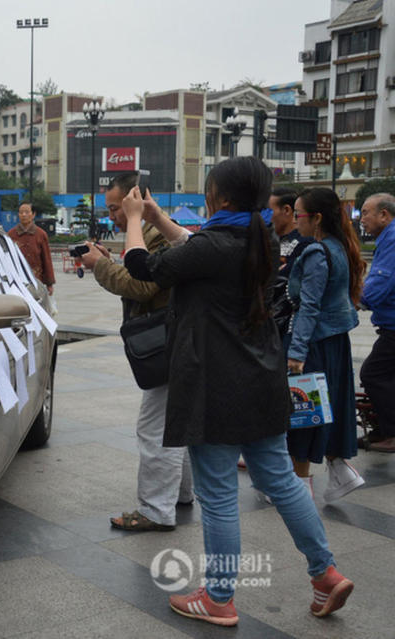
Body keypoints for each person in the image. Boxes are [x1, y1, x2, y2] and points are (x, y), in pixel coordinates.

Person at [121, 157, 353, 626]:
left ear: (221, 197)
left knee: (220, 495)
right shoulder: (260, 234)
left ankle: (219, 597)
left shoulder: (218, 242)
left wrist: (131, 221)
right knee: (283, 481)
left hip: (214, 384)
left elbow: (142, 266)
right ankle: (325, 572)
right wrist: (156, 218)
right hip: (260, 377)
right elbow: (194, 246)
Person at [80, 173, 193, 532]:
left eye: (116, 208)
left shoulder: (158, 238)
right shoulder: (150, 234)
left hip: (171, 344)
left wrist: (100, 265)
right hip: (179, 342)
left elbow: (141, 285)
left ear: (136, 201)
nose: (112, 215)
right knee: (177, 422)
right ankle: (181, 495)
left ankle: (156, 509)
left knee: (154, 428)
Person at [285, 188, 365, 500]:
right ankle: (341, 471)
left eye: (298, 214)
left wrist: (296, 351)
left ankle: (300, 487)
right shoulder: (340, 247)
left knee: (305, 412)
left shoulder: (316, 253)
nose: (295, 220)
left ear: (316, 218)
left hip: (314, 344)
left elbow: (309, 307)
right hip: (335, 343)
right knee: (332, 407)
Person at [358, 193, 395, 453]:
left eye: (366, 212)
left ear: (384, 214)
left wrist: (354, 297)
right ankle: (382, 430)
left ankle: (391, 434)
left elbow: (379, 284)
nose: (362, 219)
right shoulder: (387, 238)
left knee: (372, 373)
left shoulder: (392, 239)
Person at [7, 202, 55, 294]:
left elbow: (46, 260)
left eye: (27, 212)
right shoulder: (11, 234)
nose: (24, 215)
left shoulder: (41, 234)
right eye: (21, 212)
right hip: (17, 281)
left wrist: (49, 283)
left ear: (33, 214)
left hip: (36, 280)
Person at [269, 187, 312, 276]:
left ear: (286, 210)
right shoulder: (265, 241)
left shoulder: (305, 243)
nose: (264, 216)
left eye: (269, 211)